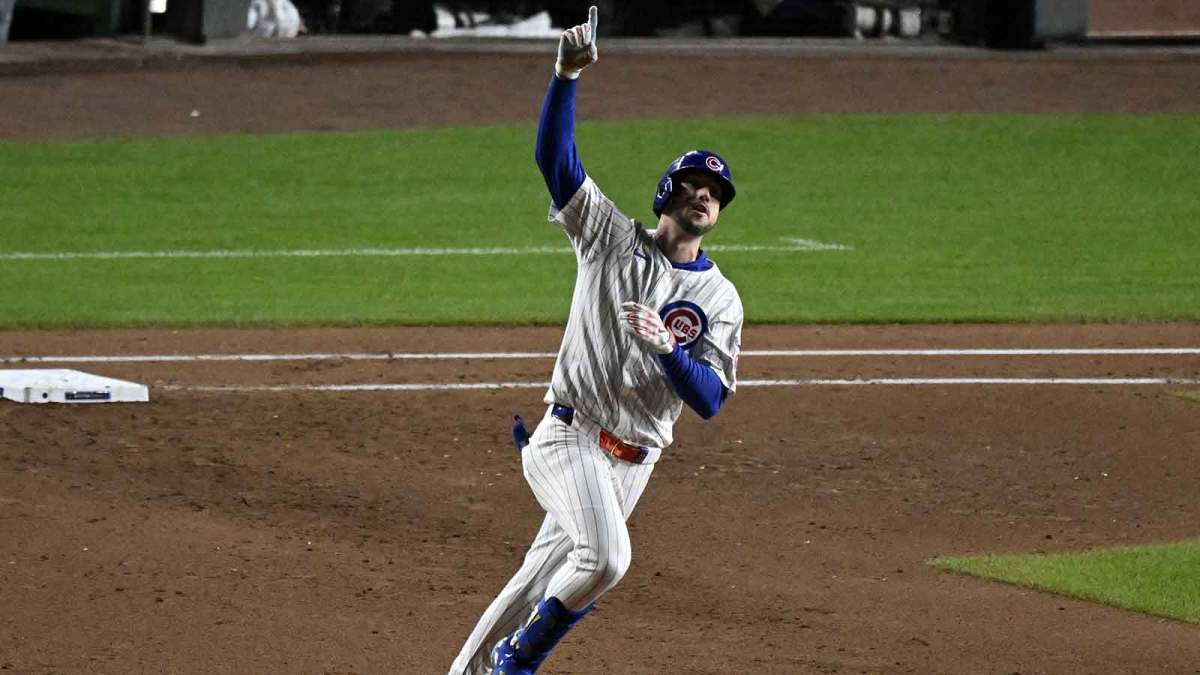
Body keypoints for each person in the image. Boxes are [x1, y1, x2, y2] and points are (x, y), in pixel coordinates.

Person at [448, 6, 744, 674]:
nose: (704, 196)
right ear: (667, 192)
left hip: (633, 461)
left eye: (715, 193)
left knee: (535, 579)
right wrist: (566, 75)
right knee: (608, 559)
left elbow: (710, 401)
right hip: (570, 435)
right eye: (694, 185)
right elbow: (555, 159)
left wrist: (669, 350)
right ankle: (518, 659)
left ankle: (473, 666)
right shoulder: (610, 237)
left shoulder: (720, 299)